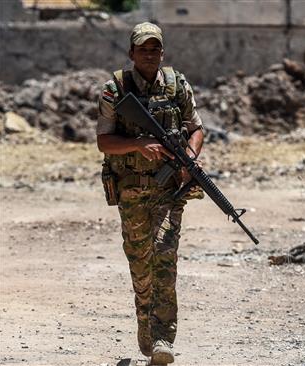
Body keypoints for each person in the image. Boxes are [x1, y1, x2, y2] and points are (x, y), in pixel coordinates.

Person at [96, 22, 204, 365]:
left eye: (155, 48)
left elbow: (196, 128)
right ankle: (146, 324)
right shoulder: (115, 89)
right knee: (141, 264)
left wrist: (189, 158)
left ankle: (162, 339)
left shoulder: (176, 85)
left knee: (164, 260)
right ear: (131, 53)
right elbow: (104, 141)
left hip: (168, 191)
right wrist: (138, 144)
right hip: (131, 192)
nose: (149, 54)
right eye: (143, 49)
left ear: (162, 52)